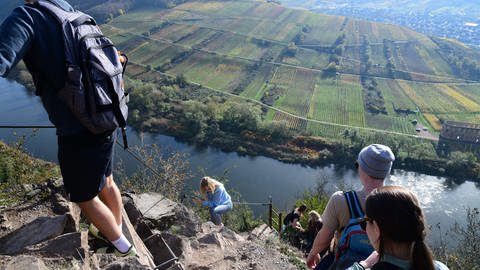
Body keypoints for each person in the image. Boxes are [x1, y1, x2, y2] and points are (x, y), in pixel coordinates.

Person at [0, 0, 136, 257]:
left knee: (84, 197)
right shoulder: (69, 11)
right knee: (107, 180)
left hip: (79, 128)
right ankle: (113, 228)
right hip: (107, 113)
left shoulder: (27, 16)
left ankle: (123, 250)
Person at [306, 144, 395, 269]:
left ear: (362, 169)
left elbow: (324, 237)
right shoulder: (399, 204)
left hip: (343, 263)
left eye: (357, 165)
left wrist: (312, 253)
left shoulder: (341, 200)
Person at [346, 186, 450, 270]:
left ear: (377, 230)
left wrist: (363, 265)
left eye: (365, 222)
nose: (365, 228)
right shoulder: (440, 267)